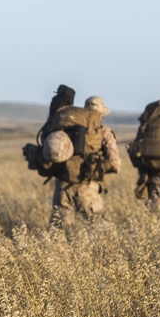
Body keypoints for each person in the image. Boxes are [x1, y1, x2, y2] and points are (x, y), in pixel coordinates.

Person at [44, 95, 121, 225]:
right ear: (101, 115)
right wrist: (99, 168)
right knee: (98, 230)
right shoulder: (104, 132)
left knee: (59, 231)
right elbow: (115, 163)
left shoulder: (68, 128)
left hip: (62, 183)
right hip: (87, 185)